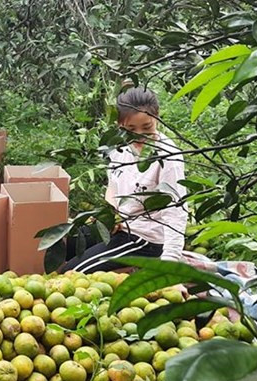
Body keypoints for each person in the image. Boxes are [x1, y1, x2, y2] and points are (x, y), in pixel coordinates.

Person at [61, 88, 188, 273]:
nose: (139, 136)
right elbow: (114, 183)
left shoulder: (168, 157)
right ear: (120, 125)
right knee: (62, 244)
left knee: (72, 274)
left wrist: (168, 263)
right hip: (120, 227)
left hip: (144, 238)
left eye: (147, 128)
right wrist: (112, 213)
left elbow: (176, 212)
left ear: (157, 117)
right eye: (130, 130)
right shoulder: (120, 147)